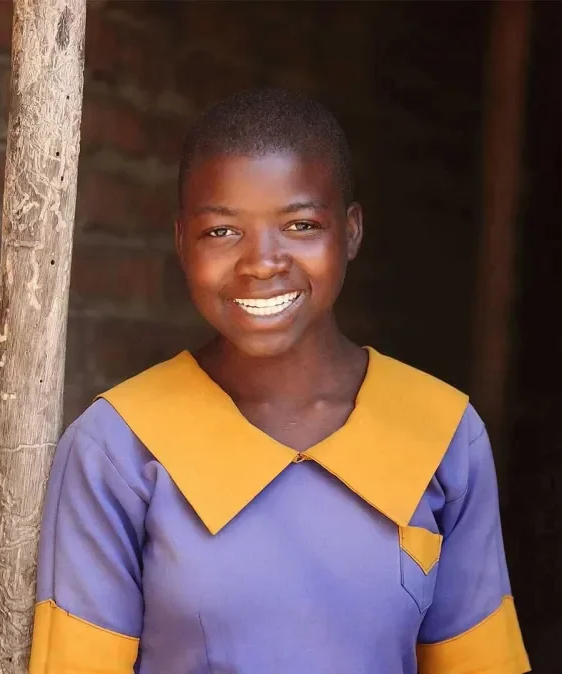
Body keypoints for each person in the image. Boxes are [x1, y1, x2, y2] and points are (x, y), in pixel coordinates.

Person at [27, 89, 530, 674]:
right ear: (181, 241)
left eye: (300, 224)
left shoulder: (442, 434)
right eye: (221, 231)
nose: (262, 261)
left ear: (352, 231)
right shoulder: (116, 449)